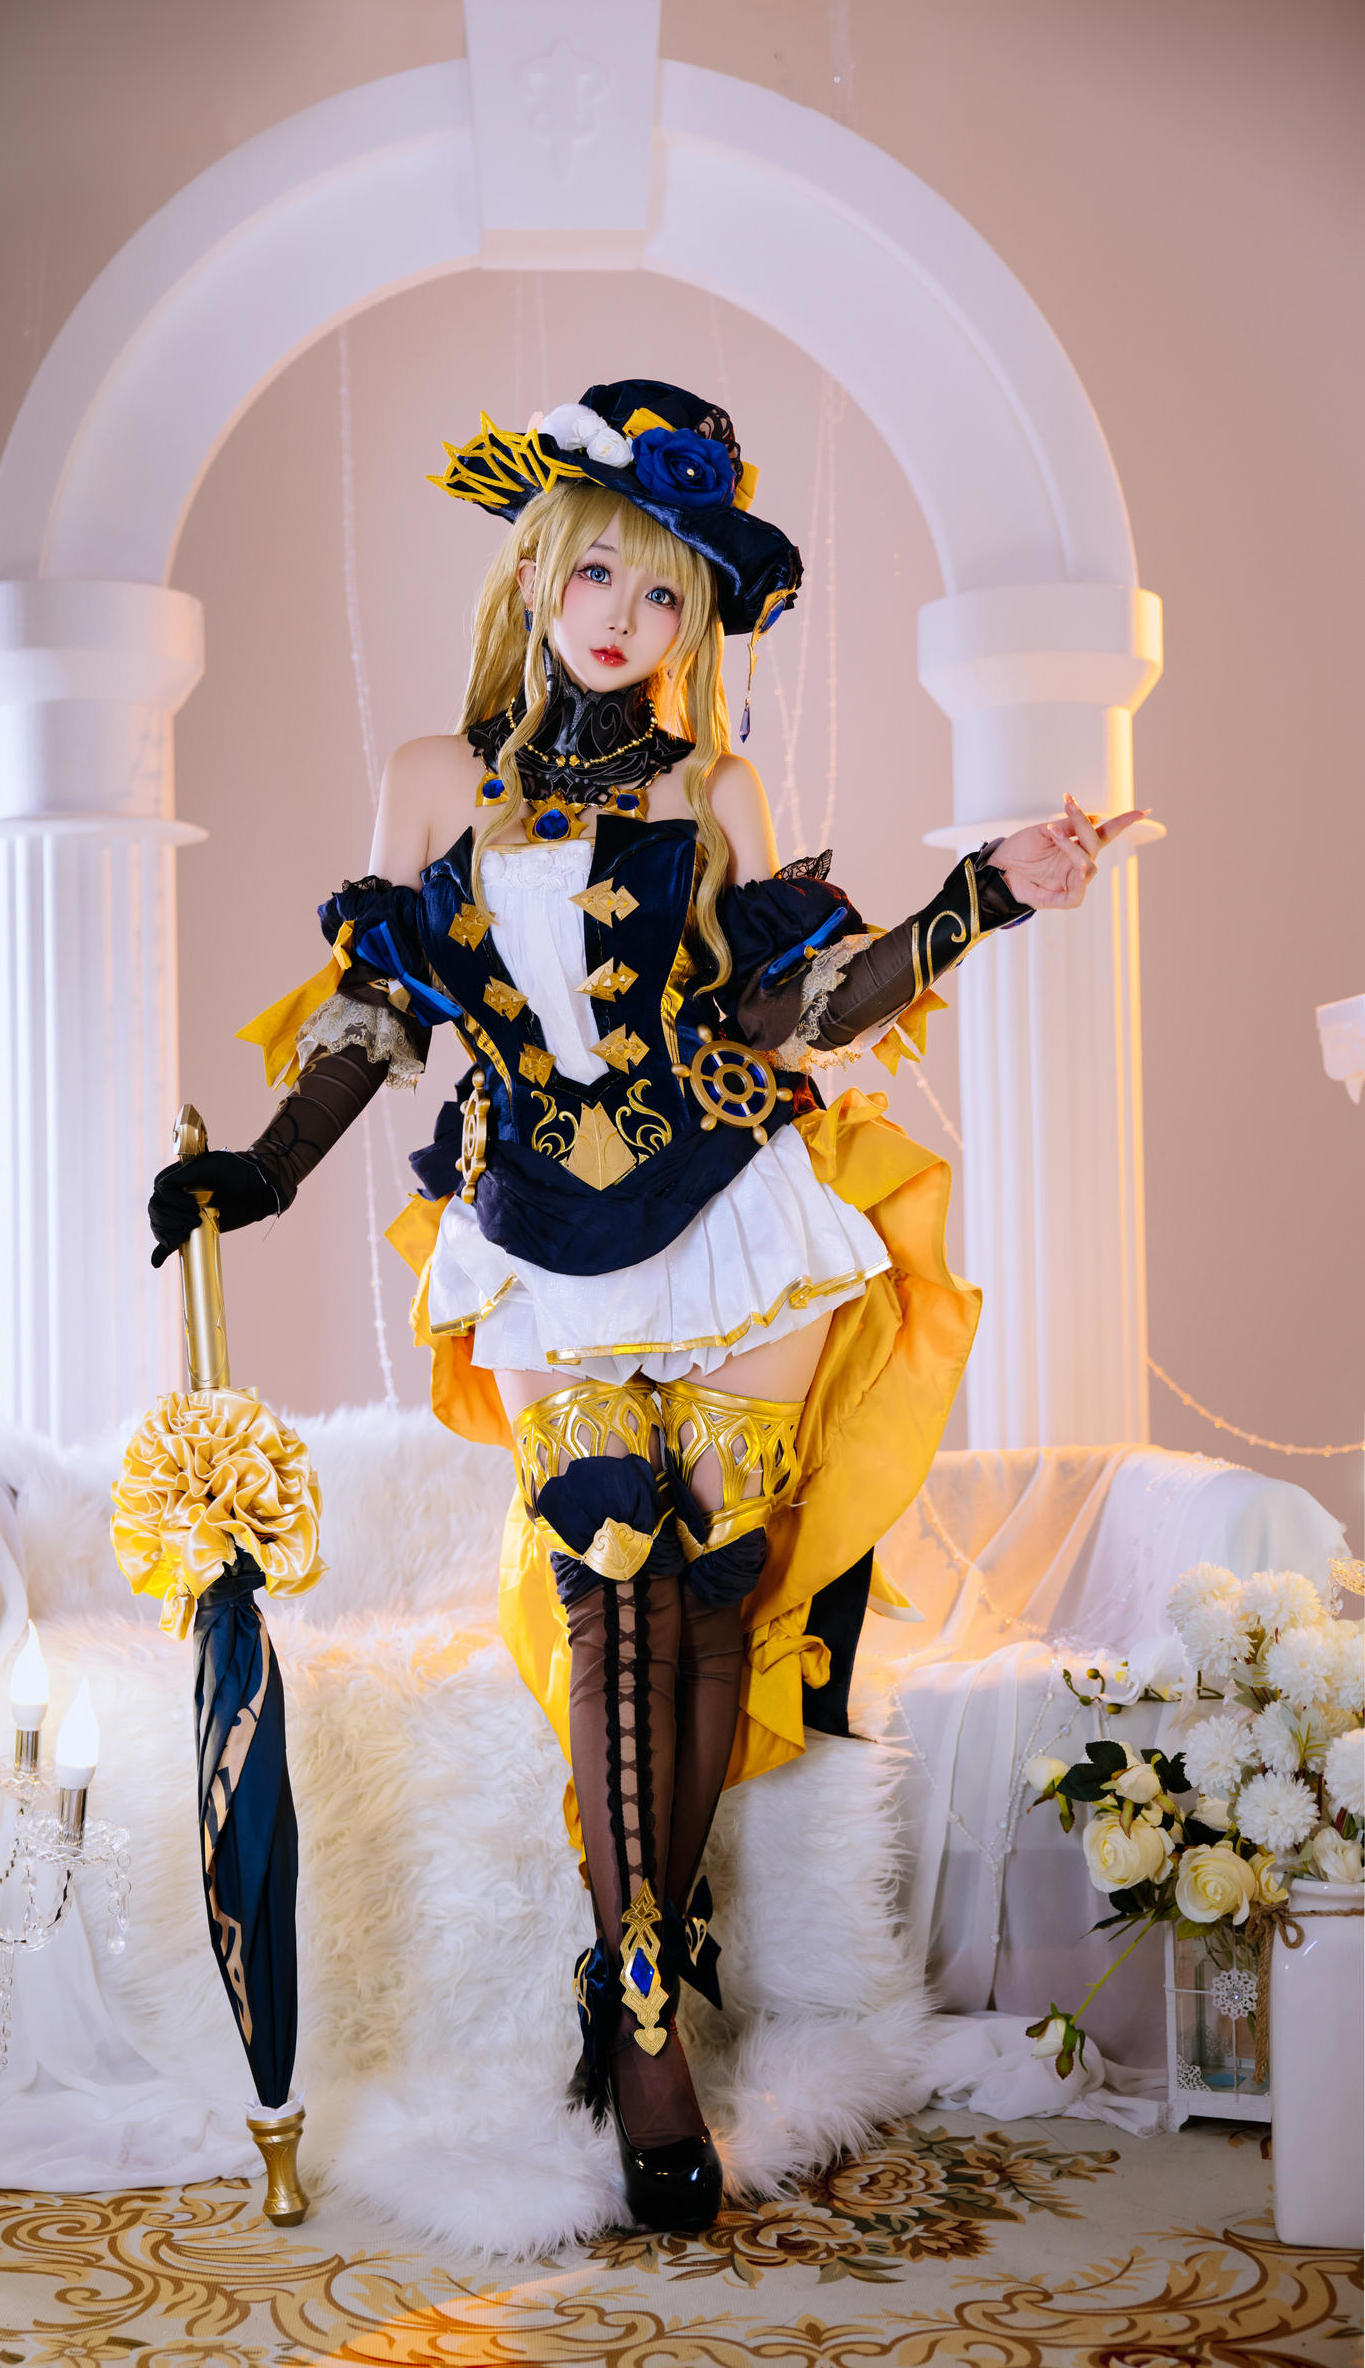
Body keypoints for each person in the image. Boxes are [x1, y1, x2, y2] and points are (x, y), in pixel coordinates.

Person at [148, 381, 1145, 2233]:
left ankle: (643, 1980)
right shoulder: (433, 781)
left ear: (698, 623)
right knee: (605, 1571)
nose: (626, 613)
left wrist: (982, 900)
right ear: (538, 573)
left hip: (732, 1211)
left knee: (702, 1593)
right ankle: (646, 2005)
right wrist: (266, 1172)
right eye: (599, 572)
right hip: (537, 1228)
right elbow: (383, 1013)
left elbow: (791, 1012)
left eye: (667, 591)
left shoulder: (716, 790)